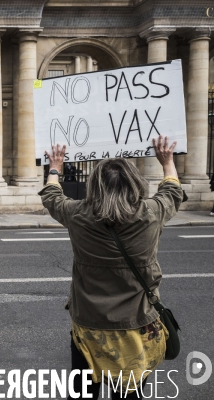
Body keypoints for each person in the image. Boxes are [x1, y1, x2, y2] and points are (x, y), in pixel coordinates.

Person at [40, 136, 184, 400]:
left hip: (89, 326)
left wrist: (55, 167)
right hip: (138, 324)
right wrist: (167, 162)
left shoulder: (78, 215)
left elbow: (51, 197)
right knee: (129, 394)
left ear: (94, 185)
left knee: (83, 393)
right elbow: (172, 191)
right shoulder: (151, 213)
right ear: (135, 183)